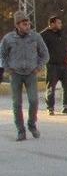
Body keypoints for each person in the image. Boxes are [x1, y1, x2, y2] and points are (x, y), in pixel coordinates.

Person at [1, 11, 49, 141]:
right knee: (17, 103)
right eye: (24, 24)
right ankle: (20, 131)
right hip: (15, 74)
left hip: (31, 74)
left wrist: (38, 67)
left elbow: (45, 54)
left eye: (28, 24)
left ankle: (32, 125)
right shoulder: (8, 39)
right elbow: (2, 55)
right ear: (17, 25)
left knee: (34, 101)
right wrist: (7, 69)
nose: (27, 26)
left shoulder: (36, 37)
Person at [40, 14, 67, 115]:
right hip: (52, 65)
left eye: (61, 23)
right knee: (51, 87)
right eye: (58, 23)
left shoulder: (62, 34)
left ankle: (66, 106)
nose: (60, 25)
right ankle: (50, 107)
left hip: (64, 65)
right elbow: (40, 50)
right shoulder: (44, 35)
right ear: (52, 24)